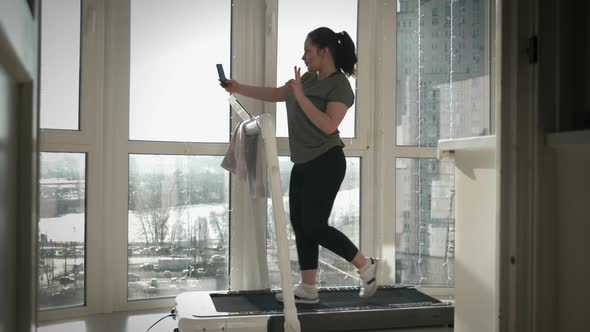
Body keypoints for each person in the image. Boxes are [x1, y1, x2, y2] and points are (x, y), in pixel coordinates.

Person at [222, 27, 378, 304]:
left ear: (324, 52)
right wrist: (238, 87)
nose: (304, 56)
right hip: (304, 162)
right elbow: (277, 93)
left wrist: (302, 96)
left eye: (308, 50)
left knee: (315, 225)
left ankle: (365, 265)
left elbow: (329, 125)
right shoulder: (307, 78)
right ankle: (308, 288)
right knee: (301, 225)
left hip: (327, 161)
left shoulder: (339, 85)